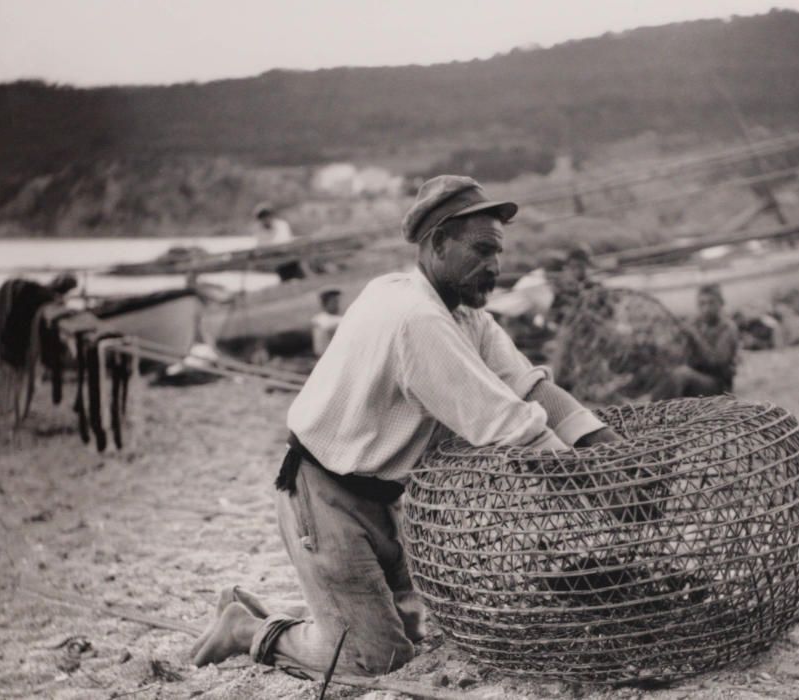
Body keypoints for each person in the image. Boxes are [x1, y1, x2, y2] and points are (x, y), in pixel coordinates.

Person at [189, 175, 624, 677]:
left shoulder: (465, 316)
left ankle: (297, 614)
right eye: (482, 250)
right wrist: (596, 486)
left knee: (413, 634)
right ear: (438, 242)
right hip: (323, 498)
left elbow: (530, 388)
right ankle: (245, 628)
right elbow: (510, 424)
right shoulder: (415, 317)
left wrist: (606, 445)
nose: (496, 266)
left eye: (499, 252)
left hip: (385, 500)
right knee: (375, 660)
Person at [653, 283, 739, 399]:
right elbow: (681, 354)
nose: (706, 309)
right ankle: (653, 406)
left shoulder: (727, 328)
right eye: (702, 304)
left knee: (682, 374)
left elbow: (717, 362)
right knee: (664, 372)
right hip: (698, 377)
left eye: (711, 303)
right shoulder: (697, 324)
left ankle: (658, 409)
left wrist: (694, 335)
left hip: (718, 385)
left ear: (721, 303)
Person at [310, 287, 342, 357]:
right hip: (329, 356)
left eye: (337, 301)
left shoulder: (340, 318)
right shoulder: (320, 319)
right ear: (325, 304)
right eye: (333, 302)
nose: (337, 304)